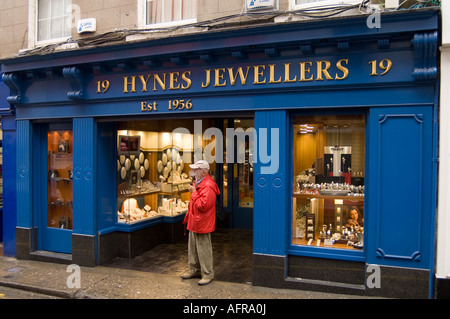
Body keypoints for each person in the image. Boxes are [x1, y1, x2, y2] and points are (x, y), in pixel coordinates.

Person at [181, 160, 220, 285]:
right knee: (192, 247)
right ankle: (195, 270)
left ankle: (208, 273)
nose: (193, 172)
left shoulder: (208, 186)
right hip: (194, 220)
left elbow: (203, 206)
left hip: (202, 222)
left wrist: (194, 193)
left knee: (203, 249)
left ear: (203, 172)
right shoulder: (199, 182)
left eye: (196, 169)